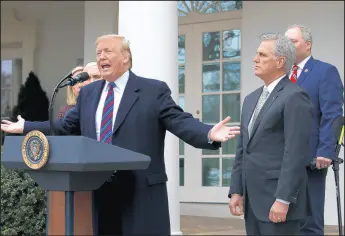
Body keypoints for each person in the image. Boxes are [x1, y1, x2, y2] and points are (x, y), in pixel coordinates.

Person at [1, 34, 241, 235]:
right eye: (98, 53)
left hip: (141, 191)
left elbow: (180, 121)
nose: (101, 57)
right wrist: (25, 127)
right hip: (100, 187)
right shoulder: (89, 93)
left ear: (125, 57)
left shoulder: (152, 90)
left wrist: (208, 132)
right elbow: (65, 126)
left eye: (107, 51)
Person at [228, 33, 314, 235]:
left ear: (280, 61)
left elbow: (295, 153)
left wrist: (283, 200)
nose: (254, 59)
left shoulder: (295, 96)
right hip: (252, 203)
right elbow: (243, 149)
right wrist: (236, 190)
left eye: (262, 55)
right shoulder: (251, 99)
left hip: (279, 202)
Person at [285, 24, 344, 235]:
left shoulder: (324, 71)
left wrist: (325, 151)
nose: (287, 46)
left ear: (307, 45)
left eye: (293, 41)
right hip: (280, 158)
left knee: (308, 223)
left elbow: (332, 114)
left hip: (310, 158)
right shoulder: (280, 76)